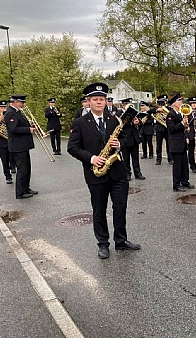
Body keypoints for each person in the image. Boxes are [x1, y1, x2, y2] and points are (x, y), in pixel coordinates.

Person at [67, 82, 141, 259]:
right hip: (96, 173)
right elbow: (72, 147)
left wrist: (120, 144)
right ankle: (103, 243)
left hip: (117, 172)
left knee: (120, 207)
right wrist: (92, 158)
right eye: (95, 99)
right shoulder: (79, 123)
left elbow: (127, 139)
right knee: (99, 210)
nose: (99, 102)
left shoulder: (114, 119)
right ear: (89, 101)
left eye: (102, 99)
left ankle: (121, 241)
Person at [5, 94, 38, 199]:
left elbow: (21, 125)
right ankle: (20, 192)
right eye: (22, 102)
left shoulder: (17, 112)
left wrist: (30, 126)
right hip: (18, 146)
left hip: (23, 145)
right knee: (22, 169)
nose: (23, 104)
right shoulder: (10, 113)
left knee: (27, 168)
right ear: (15, 102)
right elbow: (14, 129)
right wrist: (28, 130)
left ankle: (26, 188)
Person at [166, 93, 194, 192]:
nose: (182, 103)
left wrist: (186, 130)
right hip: (175, 143)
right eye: (180, 101)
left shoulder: (180, 114)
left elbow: (182, 129)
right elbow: (171, 129)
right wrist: (182, 123)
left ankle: (185, 181)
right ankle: (176, 185)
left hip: (182, 142)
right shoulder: (171, 114)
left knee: (184, 164)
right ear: (174, 103)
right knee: (177, 166)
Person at [119, 98, 145, 180]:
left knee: (135, 157)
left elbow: (140, 122)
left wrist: (138, 122)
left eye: (129, 103)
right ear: (122, 105)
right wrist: (128, 121)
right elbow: (118, 125)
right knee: (126, 158)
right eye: (126, 103)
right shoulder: (118, 113)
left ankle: (137, 173)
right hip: (125, 138)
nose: (128, 105)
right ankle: (127, 173)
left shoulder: (134, 113)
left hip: (134, 138)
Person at [153, 94, 172, 165]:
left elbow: (171, 115)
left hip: (167, 128)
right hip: (159, 128)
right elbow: (150, 112)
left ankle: (170, 159)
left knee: (169, 144)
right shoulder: (156, 109)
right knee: (159, 145)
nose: (163, 104)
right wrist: (157, 110)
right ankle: (158, 159)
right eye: (161, 103)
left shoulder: (169, 109)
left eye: (164, 102)